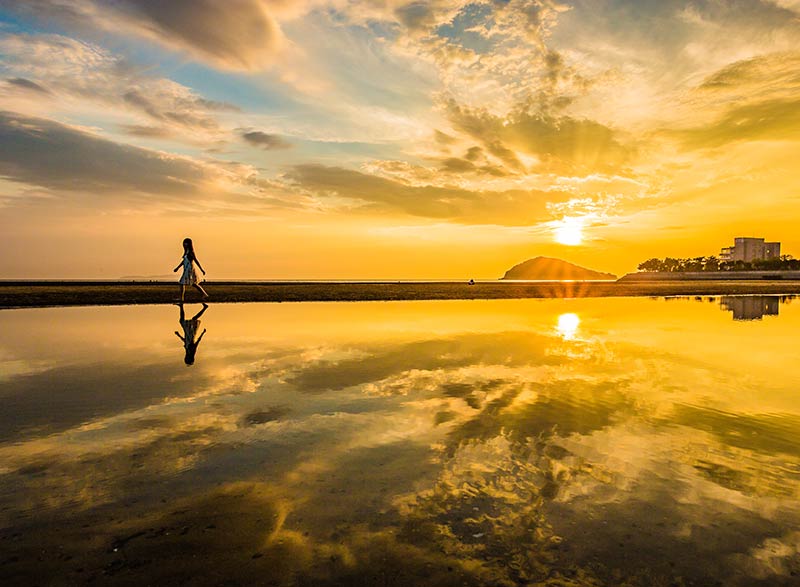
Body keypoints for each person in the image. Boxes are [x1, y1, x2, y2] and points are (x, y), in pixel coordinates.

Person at [173, 237, 208, 302]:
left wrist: (201, 269)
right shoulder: (186, 252)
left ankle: (182, 298)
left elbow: (196, 261)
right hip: (186, 269)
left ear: (189, 244)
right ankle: (204, 294)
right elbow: (183, 261)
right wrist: (177, 268)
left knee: (184, 283)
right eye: (184, 243)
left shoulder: (191, 252)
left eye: (185, 243)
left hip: (190, 269)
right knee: (191, 283)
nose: (184, 244)